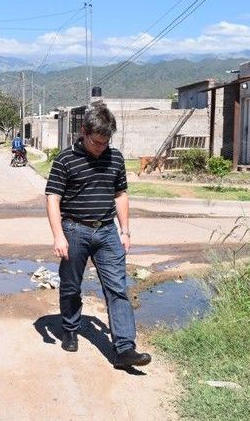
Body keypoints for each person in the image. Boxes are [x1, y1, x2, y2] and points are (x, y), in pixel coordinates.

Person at [45, 103, 152, 369]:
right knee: (71, 285)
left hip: (107, 231)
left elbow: (121, 195)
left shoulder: (115, 158)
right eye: (96, 142)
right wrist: (59, 236)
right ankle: (70, 328)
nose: (100, 147)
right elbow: (53, 198)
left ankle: (125, 348)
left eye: (105, 142)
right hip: (74, 230)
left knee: (117, 288)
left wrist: (125, 231)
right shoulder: (65, 159)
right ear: (83, 132)